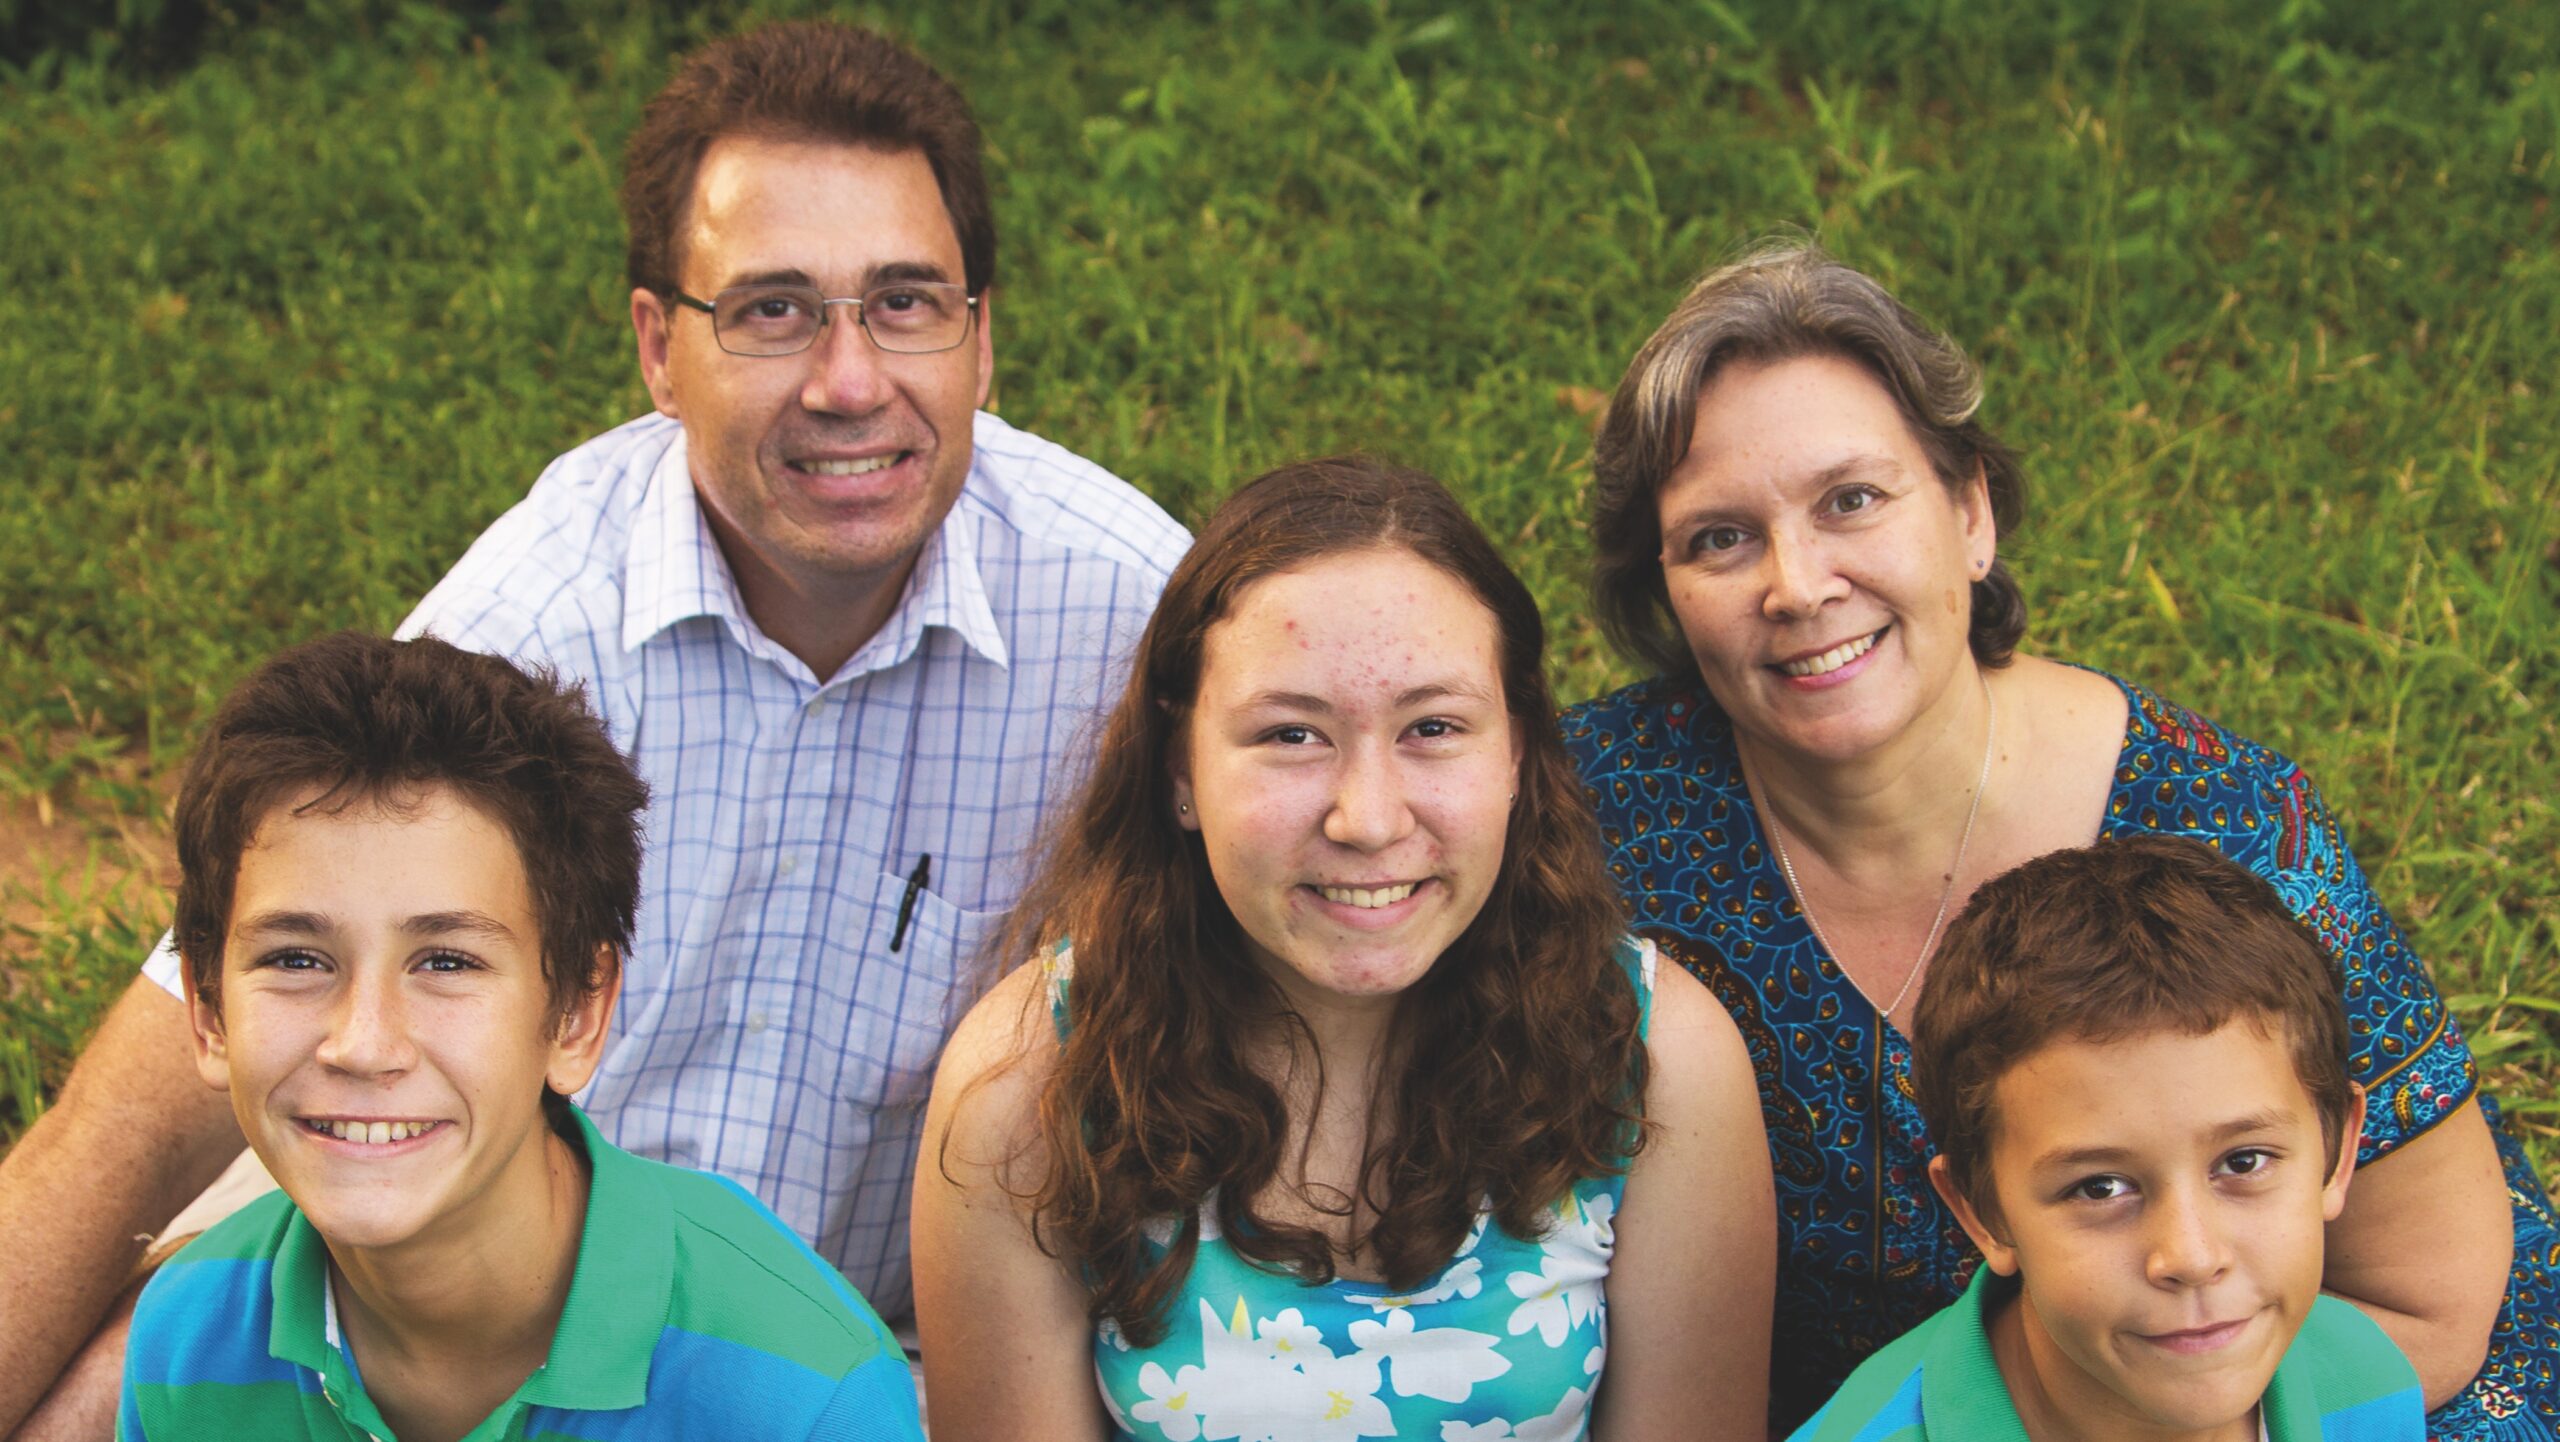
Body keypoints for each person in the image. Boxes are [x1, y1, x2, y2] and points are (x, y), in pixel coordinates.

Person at [0, 20, 1187, 1438]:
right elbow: (174, 1077)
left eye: (906, 303)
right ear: (655, 346)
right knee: (106, 1381)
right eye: (771, 310)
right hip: (500, 1263)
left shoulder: (1130, 616)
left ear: (983, 339)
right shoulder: (536, 620)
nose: (851, 380)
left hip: (899, 1346)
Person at [1560, 239, 2550, 1438]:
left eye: (1852, 499)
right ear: (1660, 588)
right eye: (1718, 536)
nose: (1796, 581)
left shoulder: (2229, 826)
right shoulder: (1590, 819)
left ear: (1970, 512)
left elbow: (2427, 1291)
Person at [911, 457, 1776, 1440]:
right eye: (1290, 734)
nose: (1366, 817)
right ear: (1180, 768)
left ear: (1518, 754)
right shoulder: (1028, 1083)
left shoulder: (1660, 1062)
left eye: (1434, 726)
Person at [122, 632, 923, 1441]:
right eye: (297, 959)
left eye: (446, 961)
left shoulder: (805, 1398)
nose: (363, 1044)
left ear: (576, 1013)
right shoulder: (185, 1340)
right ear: (207, 1008)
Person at [1791, 835, 2423, 1442]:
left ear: (2335, 1152)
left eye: (2243, 1161)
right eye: (2100, 1187)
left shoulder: (2362, 1382)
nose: (2191, 1257)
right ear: (1982, 1213)